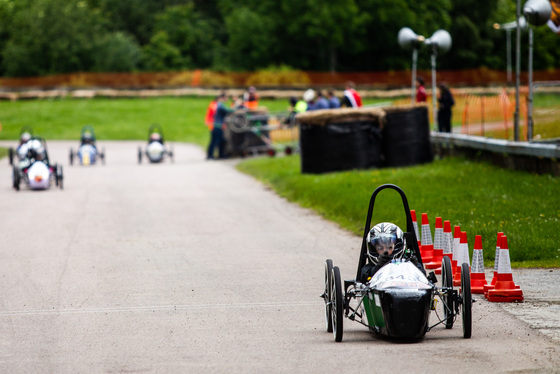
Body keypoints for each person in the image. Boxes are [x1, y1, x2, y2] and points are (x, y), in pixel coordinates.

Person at [360, 222, 424, 283]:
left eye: (389, 247)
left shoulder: (406, 261)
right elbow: (363, 276)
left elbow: (424, 277)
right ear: (374, 249)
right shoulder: (370, 267)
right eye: (380, 248)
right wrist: (379, 267)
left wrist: (413, 267)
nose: (385, 251)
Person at [207, 93, 232, 160]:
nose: (227, 99)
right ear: (222, 98)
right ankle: (210, 156)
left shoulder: (216, 105)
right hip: (217, 126)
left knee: (221, 141)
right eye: (226, 97)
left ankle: (221, 155)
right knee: (215, 141)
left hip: (217, 126)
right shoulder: (219, 105)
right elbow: (227, 111)